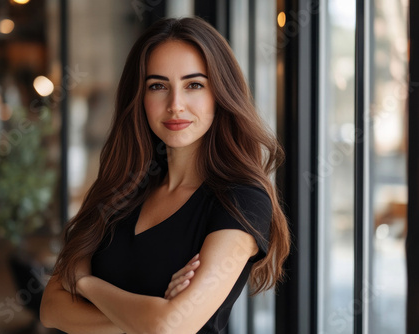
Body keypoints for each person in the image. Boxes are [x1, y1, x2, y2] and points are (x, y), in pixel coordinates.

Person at [40, 17, 290, 334]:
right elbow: (50, 309)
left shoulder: (242, 201)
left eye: (194, 85)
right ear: (140, 98)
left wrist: (87, 285)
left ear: (221, 94)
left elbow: (169, 326)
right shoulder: (121, 189)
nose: (175, 105)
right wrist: (149, 315)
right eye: (158, 86)